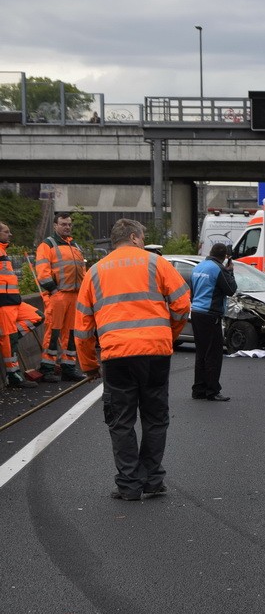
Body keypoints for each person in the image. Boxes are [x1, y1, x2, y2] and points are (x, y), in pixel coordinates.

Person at [74, 218, 191, 501]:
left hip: (117, 356)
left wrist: (89, 364)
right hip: (154, 353)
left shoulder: (95, 272)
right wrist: (168, 335)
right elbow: (182, 304)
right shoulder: (157, 263)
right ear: (135, 237)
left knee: (121, 420)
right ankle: (152, 480)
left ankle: (128, 485)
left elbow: (82, 327)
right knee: (154, 417)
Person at [35, 211, 87, 383]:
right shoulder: (47, 245)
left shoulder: (75, 246)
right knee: (53, 332)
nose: (67, 227)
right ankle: (47, 368)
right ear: (55, 226)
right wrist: (54, 290)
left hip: (75, 295)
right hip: (58, 295)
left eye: (69, 224)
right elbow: (42, 272)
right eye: (63, 224)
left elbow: (83, 271)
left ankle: (68, 368)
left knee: (71, 333)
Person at [189, 242, 237, 401]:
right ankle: (212, 391)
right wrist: (230, 272)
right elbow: (231, 290)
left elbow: (193, 292)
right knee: (214, 355)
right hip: (211, 315)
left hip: (196, 312)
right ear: (224, 257)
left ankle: (198, 389)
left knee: (201, 353)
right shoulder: (219, 269)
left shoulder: (198, 267)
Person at [1, 222, 39, 388]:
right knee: (8, 338)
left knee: (38, 316)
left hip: (14, 300)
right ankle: (13, 375)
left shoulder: (3, 251)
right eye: (6, 231)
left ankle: (12, 335)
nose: (10, 234)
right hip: (3, 303)